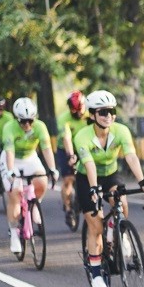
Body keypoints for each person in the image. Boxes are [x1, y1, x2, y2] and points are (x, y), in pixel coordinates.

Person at [73, 90, 144, 287]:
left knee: (121, 204)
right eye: (102, 112)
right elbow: (88, 164)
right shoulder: (82, 136)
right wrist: (93, 188)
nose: (108, 115)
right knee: (95, 227)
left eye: (111, 111)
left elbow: (131, 156)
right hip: (86, 178)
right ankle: (97, 273)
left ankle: (117, 229)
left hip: (110, 174)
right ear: (92, 115)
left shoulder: (121, 131)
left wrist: (142, 181)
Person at [1, 97, 59, 254]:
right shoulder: (9, 128)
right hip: (11, 159)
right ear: (16, 119)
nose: (27, 125)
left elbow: (46, 149)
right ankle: (13, 233)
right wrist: (11, 170)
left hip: (30, 157)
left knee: (42, 180)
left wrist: (52, 168)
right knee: (15, 194)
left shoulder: (40, 127)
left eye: (30, 121)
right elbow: (10, 151)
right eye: (23, 121)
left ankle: (35, 203)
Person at [56, 91, 89, 222]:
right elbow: (67, 139)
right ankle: (68, 208)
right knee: (68, 179)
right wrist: (70, 156)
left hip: (84, 148)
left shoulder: (89, 116)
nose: (78, 113)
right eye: (74, 111)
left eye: (80, 109)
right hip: (66, 149)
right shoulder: (63, 119)